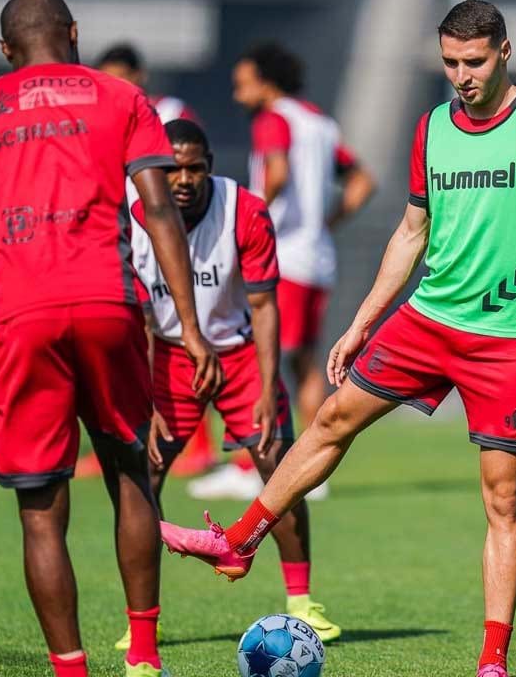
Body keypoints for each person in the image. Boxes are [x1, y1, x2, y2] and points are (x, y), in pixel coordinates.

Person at [161, 0, 516, 677]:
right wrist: (363, 319)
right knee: (332, 417)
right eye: (450, 62)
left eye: (474, 61)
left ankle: (492, 661)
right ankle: (239, 542)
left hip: (512, 336)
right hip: (429, 319)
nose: (461, 76)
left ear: (504, 51)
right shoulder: (433, 128)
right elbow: (411, 233)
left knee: (503, 499)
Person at [0, 0, 221, 677]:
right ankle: (146, 655)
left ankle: (70, 668)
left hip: (19, 316)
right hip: (108, 302)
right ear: (73, 34)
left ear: (6, 51)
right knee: (132, 474)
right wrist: (189, 325)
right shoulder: (124, 99)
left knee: (41, 510)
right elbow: (159, 209)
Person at [117, 119, 341, 644]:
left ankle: (302, 602)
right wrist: (143, 396)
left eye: (195, 168)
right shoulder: (132, 217)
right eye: (172, 168)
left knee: (280, 470)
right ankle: (140, 623)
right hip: (168, 356)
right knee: (142, 480)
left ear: (210, 167)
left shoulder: (245, 211)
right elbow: (137, 318)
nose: (183, 179)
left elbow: (265, 306)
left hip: (240, 355)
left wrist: (266, 386)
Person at [217, 42, 375, 495]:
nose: (237, 94)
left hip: (281, 256)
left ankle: (253, 469)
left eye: (242, 84)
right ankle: (314, 471)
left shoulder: (273, 118)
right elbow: (362, 181)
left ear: (265, 82)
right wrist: (326, 223)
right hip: (317, 257)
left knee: (258, 357)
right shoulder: (320, 123)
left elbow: (278, 173)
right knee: (304, 363)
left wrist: (248, 222)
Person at [74, 42, 215, 481]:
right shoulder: (103, 116)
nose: (116, 86)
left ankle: (199, 442)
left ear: (141, 75)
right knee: (129, 339)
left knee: (181, 335)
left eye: (123, 76)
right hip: (125, 234)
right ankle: (121, 437)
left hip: (171, 233)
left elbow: (193, 163)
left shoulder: (170, 109)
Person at [97, 43, 199, 124]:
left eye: (120, 78)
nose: (113, 87)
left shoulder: (171, 112)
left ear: (139, 75)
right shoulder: (91, 117)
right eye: (106, 80)